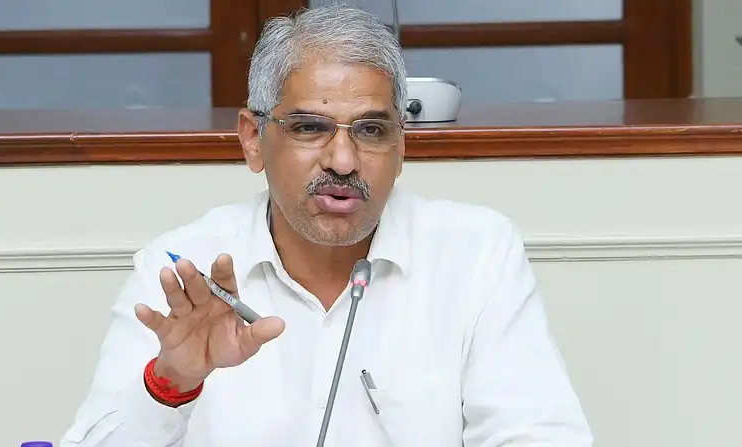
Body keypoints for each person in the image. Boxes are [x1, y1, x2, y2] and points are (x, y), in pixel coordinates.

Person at [60, 4, 593, 446]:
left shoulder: (476, 255)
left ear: (401, 146)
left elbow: (539, 435)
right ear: (253, 139)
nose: (343, 160)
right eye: (310, 128)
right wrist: (172, 383)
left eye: (371, 130)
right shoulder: (182, 271)